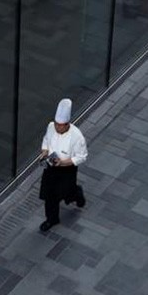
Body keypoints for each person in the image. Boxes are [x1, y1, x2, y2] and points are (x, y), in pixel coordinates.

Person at [37, 98, 87, 231]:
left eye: (61, 125)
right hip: (51, 166)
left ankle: (77, 193)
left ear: (67, 124)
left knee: (66, 193)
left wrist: (64, 162)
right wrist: (45, 151)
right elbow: (46, 140)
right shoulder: (50, 127)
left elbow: (81, 157)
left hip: (67, 170)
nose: (57, 127)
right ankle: (51, 219)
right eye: (56, 124)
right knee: (49, 195)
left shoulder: (77, 137)